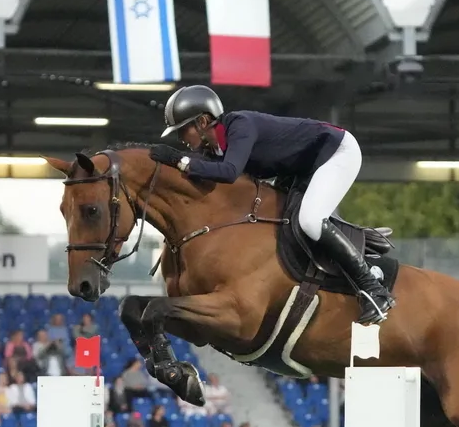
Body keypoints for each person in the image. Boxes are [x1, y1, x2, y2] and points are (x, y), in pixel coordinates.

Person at [151, 85, 394, 323]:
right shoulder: (214, 149)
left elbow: (229, 172)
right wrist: (171, 163)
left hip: (335, 152)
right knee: (283, 218)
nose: (181, 138)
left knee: (309, 221)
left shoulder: (239, 126)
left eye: (183, 130)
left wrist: (178, 160)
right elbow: (203, 172)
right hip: (303, 167)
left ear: (203, 122)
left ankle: (374, 289)